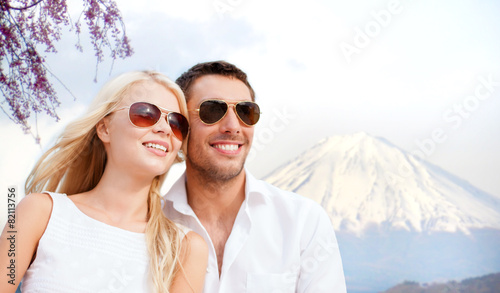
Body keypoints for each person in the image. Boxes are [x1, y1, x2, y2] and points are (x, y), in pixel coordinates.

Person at [0, 71, 208, 293]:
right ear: (104, 129)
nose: (165, 129)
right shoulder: (38, 212)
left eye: (176, 123)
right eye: (146, 113)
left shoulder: (186, 248)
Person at [163, 61, 346, 292]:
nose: (233, 127)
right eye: (212, 110)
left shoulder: (304, 222)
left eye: (245, 112)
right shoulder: (150, 226)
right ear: (180, 125)